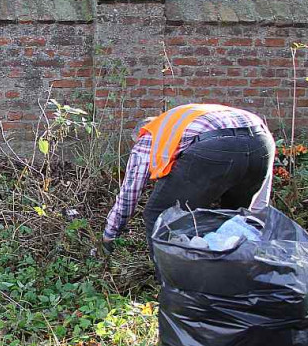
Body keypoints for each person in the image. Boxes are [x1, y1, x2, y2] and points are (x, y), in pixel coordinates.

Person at [100, 103, 275, 257]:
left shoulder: (150, 135)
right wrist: (258, 214)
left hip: (215, 146)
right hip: (262, 141)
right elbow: (258, 196)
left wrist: (111, 233)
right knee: (233, 217)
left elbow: (130, 192)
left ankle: (174, 283)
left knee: (158, 213)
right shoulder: (184, 120)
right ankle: (234, 273)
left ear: (140, 133)